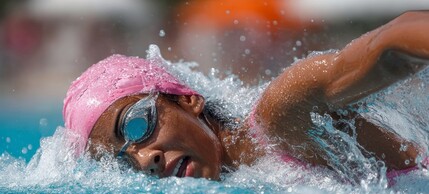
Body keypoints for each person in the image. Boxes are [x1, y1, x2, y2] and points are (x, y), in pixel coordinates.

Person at [63, 11, 429, 182]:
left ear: (188, 100)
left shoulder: (283, 118)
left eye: (137, 125)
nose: (147, 159)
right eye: (123, 161)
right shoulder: (241, 180)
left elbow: (391, 44)